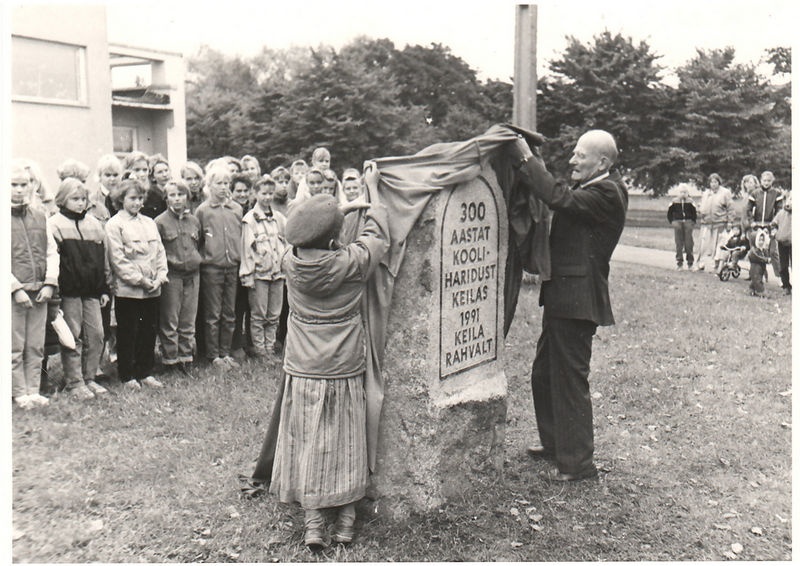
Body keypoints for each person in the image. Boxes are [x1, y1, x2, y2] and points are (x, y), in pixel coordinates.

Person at [270, 174, 388, 549]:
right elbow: (377, 235)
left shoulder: (291, 262)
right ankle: (348, 521)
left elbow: (309, 237)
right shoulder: (351, 262)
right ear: (337, 240)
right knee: (348, 441)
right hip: (343, 367)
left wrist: (338, 213)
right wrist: (370, 194)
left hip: (303, 368)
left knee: (306, 439)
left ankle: (313, 523)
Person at [506, 129, 628, 482]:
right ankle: (556, 443)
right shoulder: (593, 187)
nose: (573, 160)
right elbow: (558, 195)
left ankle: (578, 465)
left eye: (580, 156)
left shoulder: (607, 192)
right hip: (564, 298)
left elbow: (556, 197)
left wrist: (526, 158)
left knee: (570, 380)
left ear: (602, 162)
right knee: (544, 374)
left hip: (576, 301)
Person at [48, 178, 111, 400]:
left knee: (97, 335)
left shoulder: (94, 225)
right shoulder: (54, 224)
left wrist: (104, 287)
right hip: (69, 292)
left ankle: (90, 377)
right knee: (72, 336)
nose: (80, 203)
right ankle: (75, 382)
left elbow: (102, 260)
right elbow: (53, 260)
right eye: (75, 199)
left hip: (92, 291)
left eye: (83, 199)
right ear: (63, 200)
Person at [105, 178, 169, 390]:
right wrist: (140, 280)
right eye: (132, 198)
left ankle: (145, 371)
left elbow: (159, 252)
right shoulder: (115, 225)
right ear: (121, 199)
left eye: (140, 198)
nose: (137, 202)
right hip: (129, 290)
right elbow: (118, 260)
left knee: (148, 332)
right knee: (128, 332)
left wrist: (159, 277)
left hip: (152, 288)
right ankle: (127, 375)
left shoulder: (149, 223)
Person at [11, 161, 59, 409]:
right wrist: (15, 288)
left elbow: (52, 252)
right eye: (13, 184)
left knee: (35, 343)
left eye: (24, 184)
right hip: (13, 294)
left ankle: (33, 389)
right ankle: (18, 392)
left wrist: (49, 283)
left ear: (32, 185)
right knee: (14, 344)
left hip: (40, 290)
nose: (19, 189)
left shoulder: (41, 217)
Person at [195, 162, 243, 368]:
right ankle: (213, 354)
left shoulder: (237, 209)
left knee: (229, 312)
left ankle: (226, 351)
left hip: (232, 265)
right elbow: (197, 240)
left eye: (226, 183)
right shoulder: (203, 211)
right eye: (219, 183)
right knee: (213, 313)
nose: (223, 187)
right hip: (211, 268)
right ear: (209, 185)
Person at [155, 180, 203, 377]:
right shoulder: (159, 222)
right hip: (172, 276)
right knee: (170, 319)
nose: (177, 199)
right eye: (173, 195)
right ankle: (170, 360)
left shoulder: (194, 221)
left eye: (181, 195)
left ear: (187, 197)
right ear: (166, 198)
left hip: (192, 275)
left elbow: (198, 244)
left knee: (188, 318)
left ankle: (186, 358)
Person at [240, 176, 287, 357]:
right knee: (259, 314)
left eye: (270, 194)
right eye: (263, 193)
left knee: (274, 313)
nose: (267, 197)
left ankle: (270, 346)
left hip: (277, 273)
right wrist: (248, 275)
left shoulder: (280, 218)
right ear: (255, 193)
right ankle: (260, 350)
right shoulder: (250, 220)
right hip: (259, 274)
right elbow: (246, 251)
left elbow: (286, 243)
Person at [694, 173, 734, 271]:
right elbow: (702, 205)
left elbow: (730, 208)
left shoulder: (725, 193)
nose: (713, 184)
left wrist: (730, 221)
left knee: (718, 245)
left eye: (715, 182)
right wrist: (700, 210)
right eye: (711, 182)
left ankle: (717, 265)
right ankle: (700, 263)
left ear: (719, 182)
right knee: (703, 245)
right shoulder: (706, 193)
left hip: (719, 222)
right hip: (706, 223)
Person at [666, 184, 697, 269]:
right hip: (678, 222)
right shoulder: (674, 201)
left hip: (688, 222)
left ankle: (690, 262)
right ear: (678, 193)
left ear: (687, 193)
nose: (683, 194)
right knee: (679, 243)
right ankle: (679, 262)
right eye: (681, 192)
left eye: (685, 192)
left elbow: (694, 213)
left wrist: (692, 221)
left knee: (689, 243)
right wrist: (672, 221)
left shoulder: (690, 201)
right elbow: (669, 213)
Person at [771, 193, 791, 295]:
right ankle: (786, 286)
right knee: (783, 266)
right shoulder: (782, 213)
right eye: (790, 199)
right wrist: (775, 232)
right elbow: (774, 224)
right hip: (782, 242)